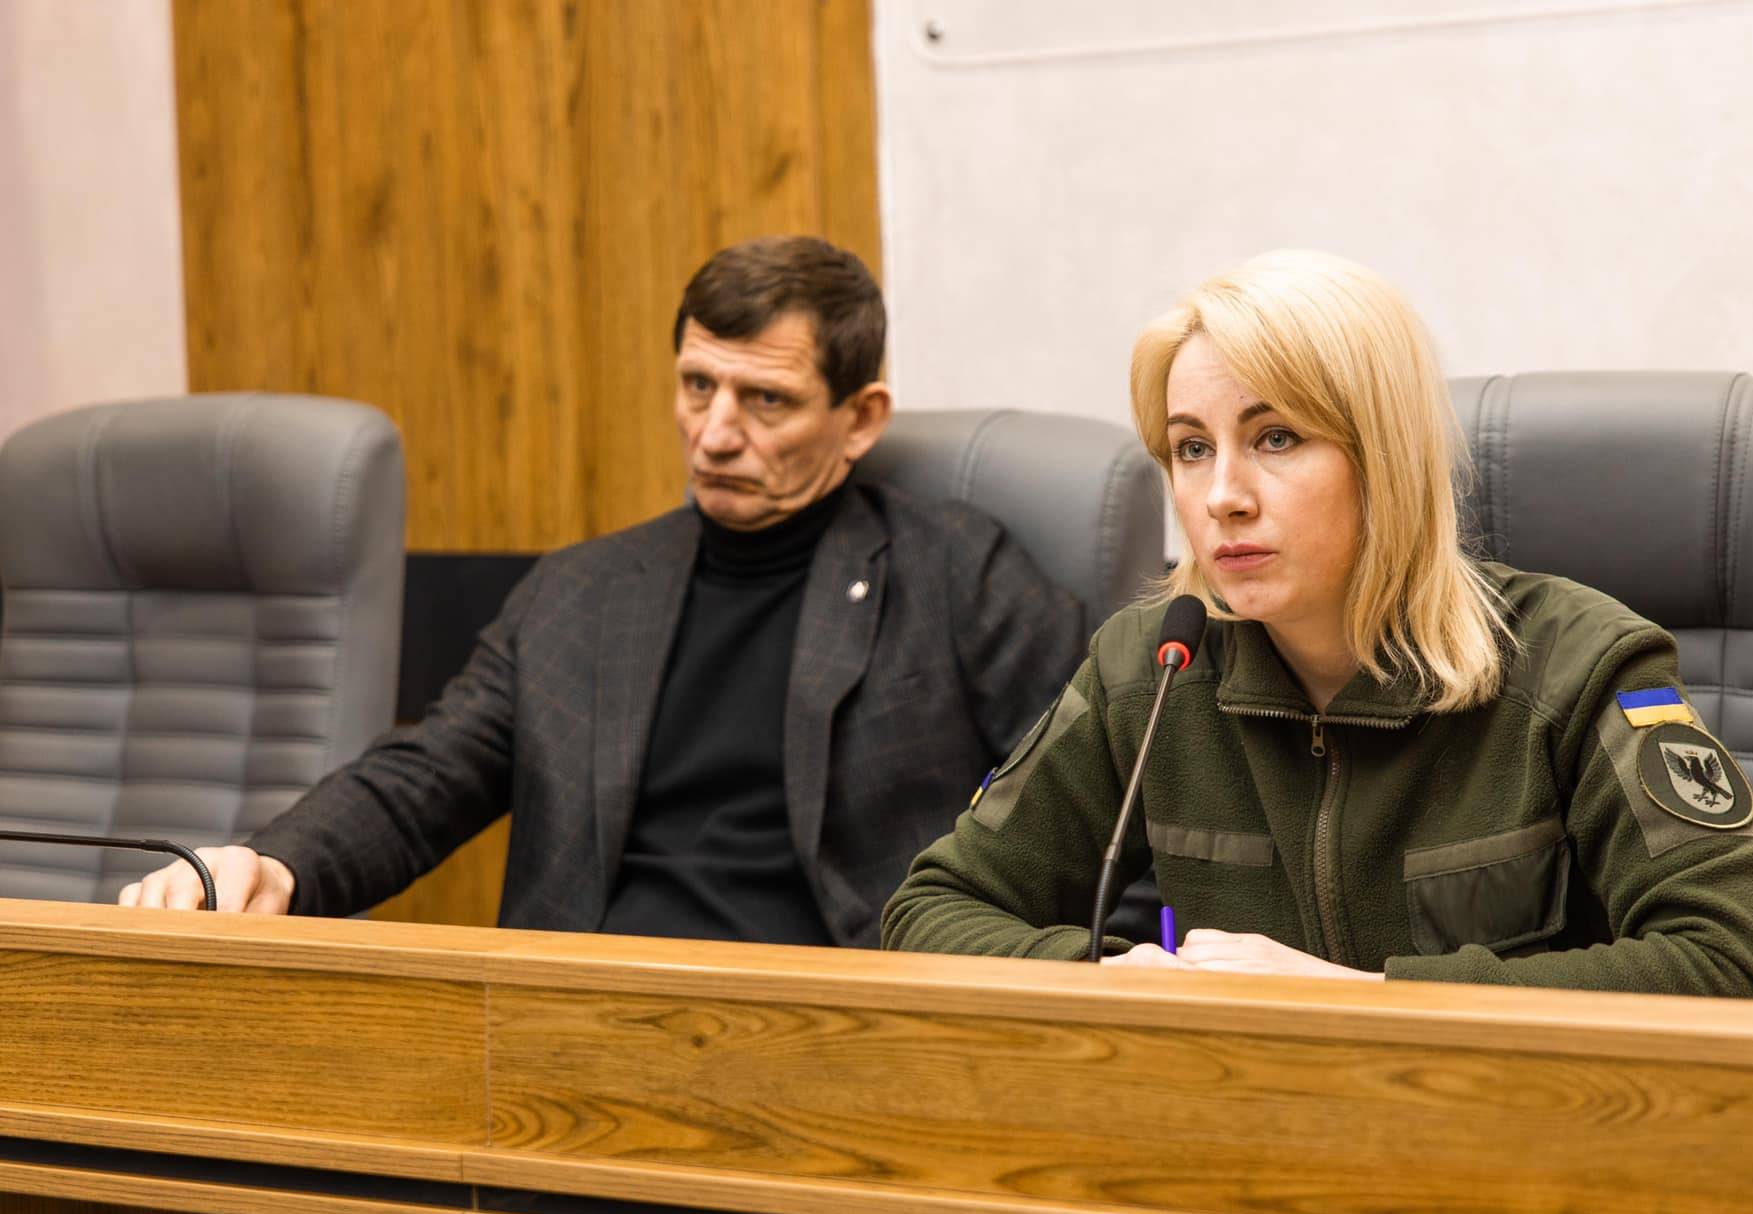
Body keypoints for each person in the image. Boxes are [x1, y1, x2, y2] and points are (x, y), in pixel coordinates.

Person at [121, 236, 1087, 944]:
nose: (715, 434)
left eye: (766, 400)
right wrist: (274, 862)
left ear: (861, 418)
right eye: (698, 386)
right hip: (579, 1014)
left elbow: (1094, 800)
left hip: (834, 1023)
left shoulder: (955, 575)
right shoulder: (581, 591)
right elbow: (424, 778)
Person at [883, 250, 1753, 996]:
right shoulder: (1153, 668)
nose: (1222, 496)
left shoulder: (1578, 666)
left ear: (1384, 460)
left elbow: (1731, 967)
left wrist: (1365, 997)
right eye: (1192, 448)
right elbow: (933, 910)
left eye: (1276, 438)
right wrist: (1125, 977)